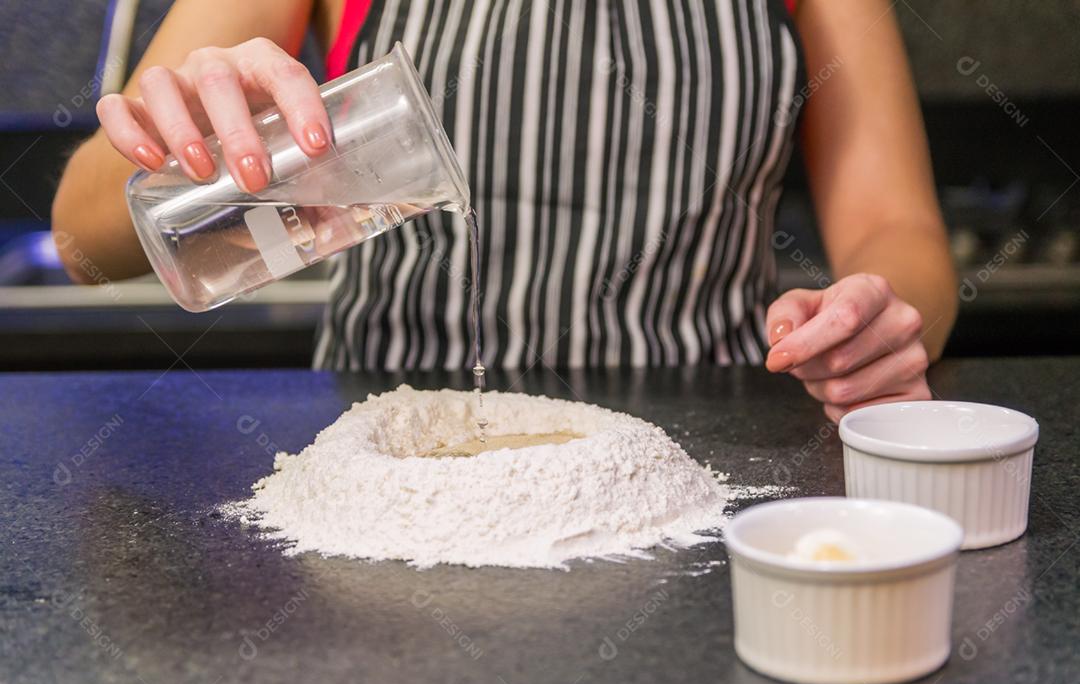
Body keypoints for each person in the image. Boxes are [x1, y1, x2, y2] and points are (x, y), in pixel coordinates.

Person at [53, 0, 957, 422]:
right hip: (390, 458)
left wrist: (871, 315)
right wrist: (184, 150)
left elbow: (897, 228)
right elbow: (80, 240)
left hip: (704, 449)